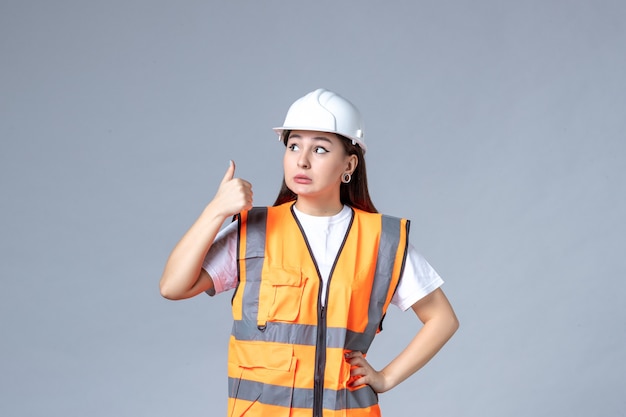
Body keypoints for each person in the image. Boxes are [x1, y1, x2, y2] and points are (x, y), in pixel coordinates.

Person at [160, 88, 459, 417]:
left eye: (319, 148)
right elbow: (173, 287)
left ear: (349, 163)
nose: (302, 160)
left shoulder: (382, 240)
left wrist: (385, 378)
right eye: (293, 145)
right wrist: (214, 212)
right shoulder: (254, 233)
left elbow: (442, 319)